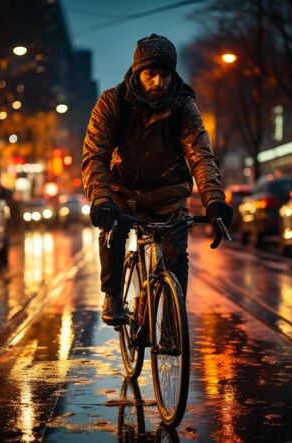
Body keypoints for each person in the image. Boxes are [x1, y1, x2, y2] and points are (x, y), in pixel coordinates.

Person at [81, 34, 233, 326]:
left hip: (168, 194)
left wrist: (214, 200)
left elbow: (201, 155)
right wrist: (100, 198)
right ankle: (112, 295)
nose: (158, 82)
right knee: (111, 231)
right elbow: (95, 155)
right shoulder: (113, 102)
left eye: (165, 75)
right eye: (151, 74)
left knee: (176, 255)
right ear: (137, 72)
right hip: (122, 191)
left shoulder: (183, 107)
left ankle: (173, 325)